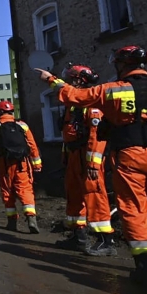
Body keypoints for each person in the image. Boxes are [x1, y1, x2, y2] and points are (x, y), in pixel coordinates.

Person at [37, 45, 147, 288]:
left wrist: (51, 80)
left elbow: (75, 96)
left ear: (121, 64)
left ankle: (146, 268)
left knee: (135, 210)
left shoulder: (111, 91)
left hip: (129, 158)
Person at [55, 64, 116, 256]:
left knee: (95, 196)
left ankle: (106, 241)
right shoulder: (74, 104)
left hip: (87, 157)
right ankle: (78, 237)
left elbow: (96, 136)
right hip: (74, 156)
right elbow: (68, 134)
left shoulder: (92, 103)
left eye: (71, 78)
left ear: (80, 81)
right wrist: (66, 157)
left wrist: (93, 164)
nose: (68, 82)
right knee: (74, 195)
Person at [0, 101, 42, 233]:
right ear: (12, 111)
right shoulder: (22, 125)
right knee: (26, 190)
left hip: (5, 164)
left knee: (7, 192)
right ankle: (31, 219)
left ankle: (12, 222)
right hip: (22, 163)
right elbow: (32, 145)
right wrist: (37, 164)